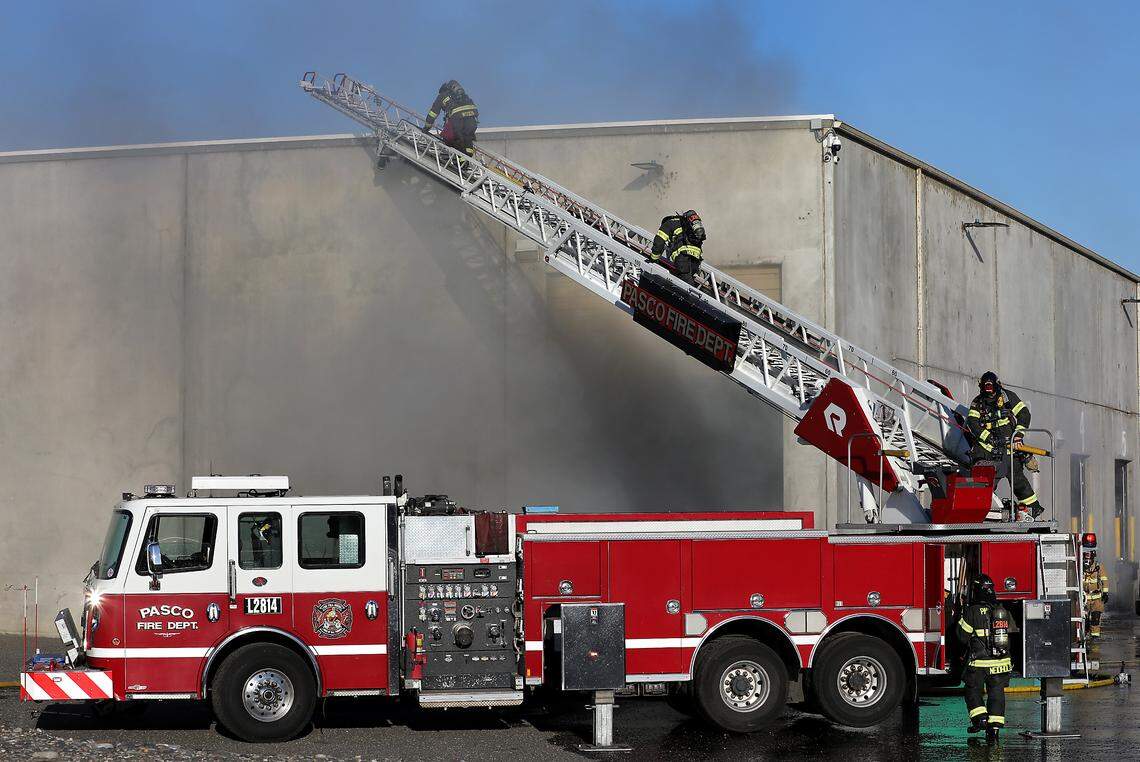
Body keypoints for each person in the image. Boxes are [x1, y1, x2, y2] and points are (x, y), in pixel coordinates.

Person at [965, 371, 1044, 520]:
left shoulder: (1008, 397)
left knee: (1018, 480)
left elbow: (1024, 414)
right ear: (981, 387)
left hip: (1009, 448)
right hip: (988, 450)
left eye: (991, 389)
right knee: (986, 481)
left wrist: (1018, 435)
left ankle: (1033, 508)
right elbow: (972, 423)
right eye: (986, 389)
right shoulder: (977, 402)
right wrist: (989, 438)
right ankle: (979, 510)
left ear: (997, 386)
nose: (989, 394)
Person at [956, 573, 1013, 743]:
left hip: (979, 663)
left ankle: (980, 718)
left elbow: (962, 636)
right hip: (1002, 663)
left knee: (972, 690)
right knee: (996, 693)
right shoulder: (1002, 610)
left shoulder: (972, 611)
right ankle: (994, 728)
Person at [650, 209, 706, 286]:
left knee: (687, 286)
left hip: (682, 257)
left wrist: (654, 258)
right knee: (686, 278)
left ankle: (692, 297)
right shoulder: (685, 224)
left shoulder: (668, 224)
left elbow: (659, 242)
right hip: (696, 259)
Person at [423, 80, 479, 157]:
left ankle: (461, 161)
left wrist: (426, 127)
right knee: (468, 138)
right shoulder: (463, 96)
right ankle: (467, 157)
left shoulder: (441, 96)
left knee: (452, 139)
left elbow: (433, 114)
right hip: (472, 120)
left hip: (457, 120)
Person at [1082, 549, 1110, 639]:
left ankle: (1095, 638)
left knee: (1095, 618)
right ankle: (1084, 636)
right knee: (1084, 620)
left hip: (1096, 598)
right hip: (1084, 598)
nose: (1087, 562)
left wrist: (1105, 593)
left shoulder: (1099, 566)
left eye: (1089, 559)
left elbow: (1104, 580)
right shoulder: (1079, 566)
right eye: (1086, 559)